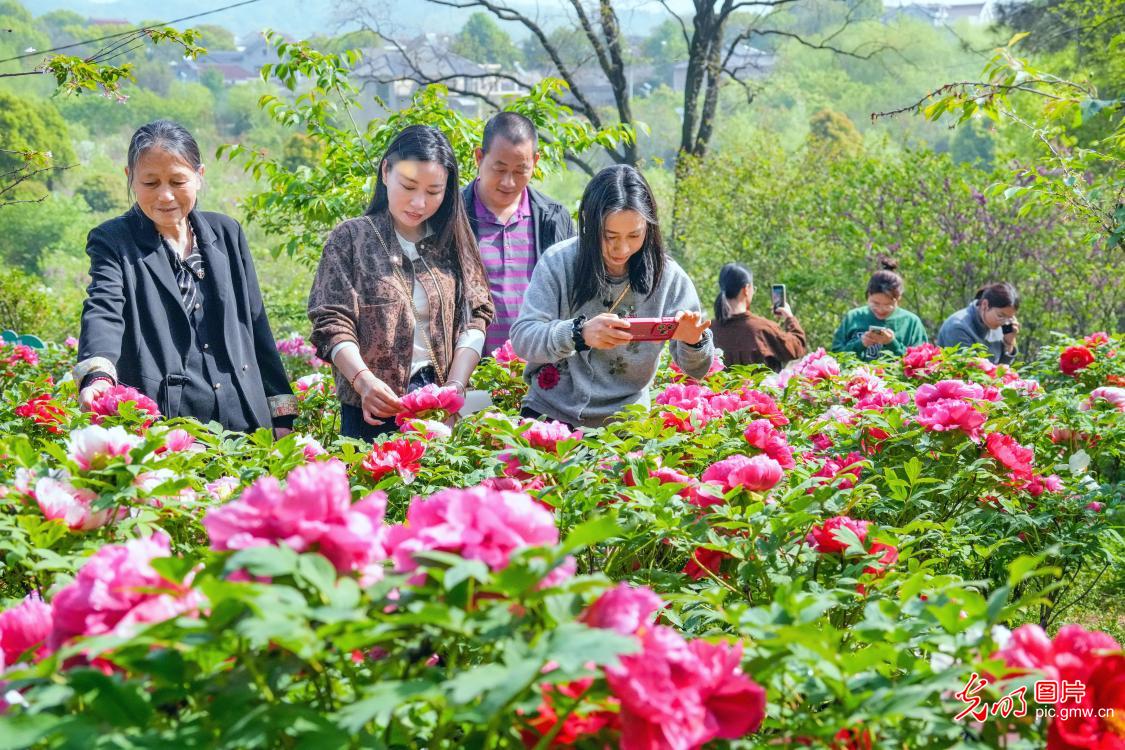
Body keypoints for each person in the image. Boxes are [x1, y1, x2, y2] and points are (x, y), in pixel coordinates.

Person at [75, 120, 296, 434]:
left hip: (246, 417)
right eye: (150, 183)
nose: (165, 196)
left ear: (199, 176)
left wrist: (282, 417)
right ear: (130, 178)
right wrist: (98, 374)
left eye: (177, 181)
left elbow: (256, 326)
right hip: (168, 425)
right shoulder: (114, 241)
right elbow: (103, 308)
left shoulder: (226, 233)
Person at [308, 125, 494, 440]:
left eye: (434, 192)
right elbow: (331, 320)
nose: (419, 203)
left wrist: (455, 388)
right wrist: (363, 380)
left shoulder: (454, 241)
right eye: (408, 186)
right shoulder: (351, 238)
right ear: (385, 172)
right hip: (374, 407)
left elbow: (475, 316)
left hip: (439, 408)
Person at [510, 164, 714, 429]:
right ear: (589, 225)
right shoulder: (559, 262)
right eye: (610, 236)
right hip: (549, 415)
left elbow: (698, 369)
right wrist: (578, 333)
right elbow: (523, 338)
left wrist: (693, 341)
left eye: (634, 235)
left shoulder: (669, 278)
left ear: (649, 228)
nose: (622, 248)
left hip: (626, 425)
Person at [462, 112, 576, 354]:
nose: (509, 182)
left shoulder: (554, 218)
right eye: (499, 168)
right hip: (468, 373)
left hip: (539, 369)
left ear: (535, 161)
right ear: (479, 157)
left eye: (520, 170)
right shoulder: (452, 215)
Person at [710, 263, 807, 372]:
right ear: (746, 289)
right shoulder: (762, 329)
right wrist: (789, 318)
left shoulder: (709, 330)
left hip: (718, 389)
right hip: (762, 389)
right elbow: (798, 347)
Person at [831, 260, 928, 361]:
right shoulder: (854, 317)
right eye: (875, 304)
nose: (881, 310)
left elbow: (922, 362)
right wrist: (861, 344)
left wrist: (892, 344)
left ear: (898, 299)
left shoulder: (911, 322)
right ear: (868, 296)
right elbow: (835, 356)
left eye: (888, 305)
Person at [937, 282, 1021, 364]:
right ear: (985, 305)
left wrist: (1008, 343)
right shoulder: (958, 326)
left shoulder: (1001, 326)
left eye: (1010, 318)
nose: (1004, 322)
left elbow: (1003, 369)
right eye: (1000, 316)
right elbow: (966, 370)